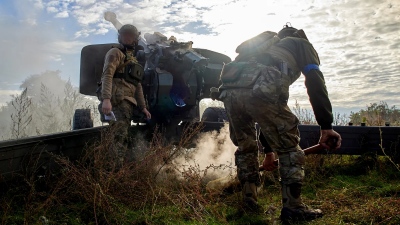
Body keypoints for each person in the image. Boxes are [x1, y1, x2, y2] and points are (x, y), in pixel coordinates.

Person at [211, 24, 342, 222]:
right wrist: (326, 126)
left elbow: (267, 114)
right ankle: (293, 208)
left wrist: (269, 152)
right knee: (290, 150)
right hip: (262, 90)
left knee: (246, 148)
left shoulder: (261, 49)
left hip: (229, 92)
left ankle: (249, 202)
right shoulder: (301, 44)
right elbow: (314, 80)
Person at [99, 24, 151, 165]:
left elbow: (137, 85)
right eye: (124, 35)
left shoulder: (132, 59)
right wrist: (106, 99)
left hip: (127, 103)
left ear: (135, 39)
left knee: (123, 138)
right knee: (118, 140)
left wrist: (143, 107)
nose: (127, 38)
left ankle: (118, 172)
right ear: (120, 37)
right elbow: (107, 75)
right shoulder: (115, 52)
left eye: (131, 36)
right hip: (117, 101)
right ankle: (113, 175)